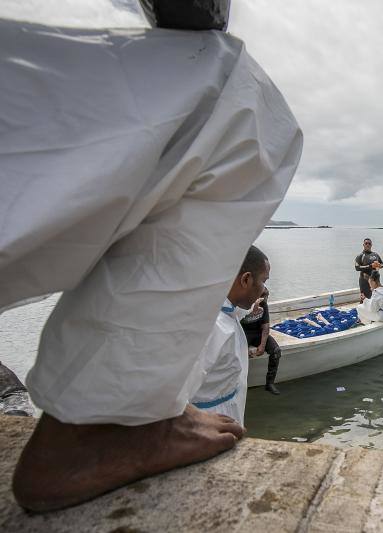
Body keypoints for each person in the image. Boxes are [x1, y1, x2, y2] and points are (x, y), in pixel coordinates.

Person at [3, 20, 302, 511]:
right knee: (247, 108)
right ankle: (100, 427)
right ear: (244, 278)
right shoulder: (217, 329)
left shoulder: (232, 320)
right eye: (260, 282)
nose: (264, 292)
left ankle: (111, 416)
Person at [191, 246, 269, 423]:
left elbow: (231, 314)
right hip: (209, 428)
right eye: (264, 281)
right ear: (246, 279)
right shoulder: (212, 330)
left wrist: (249, 311)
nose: (264, 290)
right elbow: (175, 397)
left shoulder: (222, 309)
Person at [240, 288, 283, 395]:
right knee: (239, 353)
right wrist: (244, 348)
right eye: (263, 298)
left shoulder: (264, 305)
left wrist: (262, 345)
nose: (265, 300)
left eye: (266, 298)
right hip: (243, 332)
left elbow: (265, 327)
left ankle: (269, 383)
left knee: (276, 351)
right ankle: (239, 384)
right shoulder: (243, 305)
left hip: (258, 333)